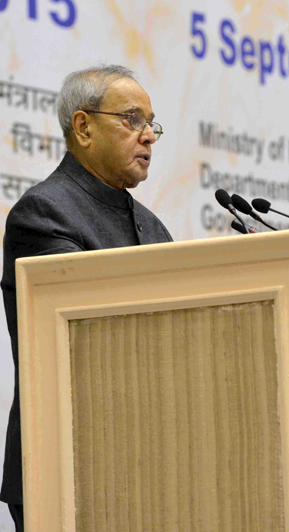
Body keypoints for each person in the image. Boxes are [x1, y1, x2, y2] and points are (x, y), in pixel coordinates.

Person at [0, 65, 172, 531]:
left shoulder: (154, 227)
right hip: (69, 461)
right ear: (83, 127)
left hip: (152, 462)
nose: (149, 136)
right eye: (132, 120)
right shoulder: (44, 213)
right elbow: (92, 337)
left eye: (151, 123)